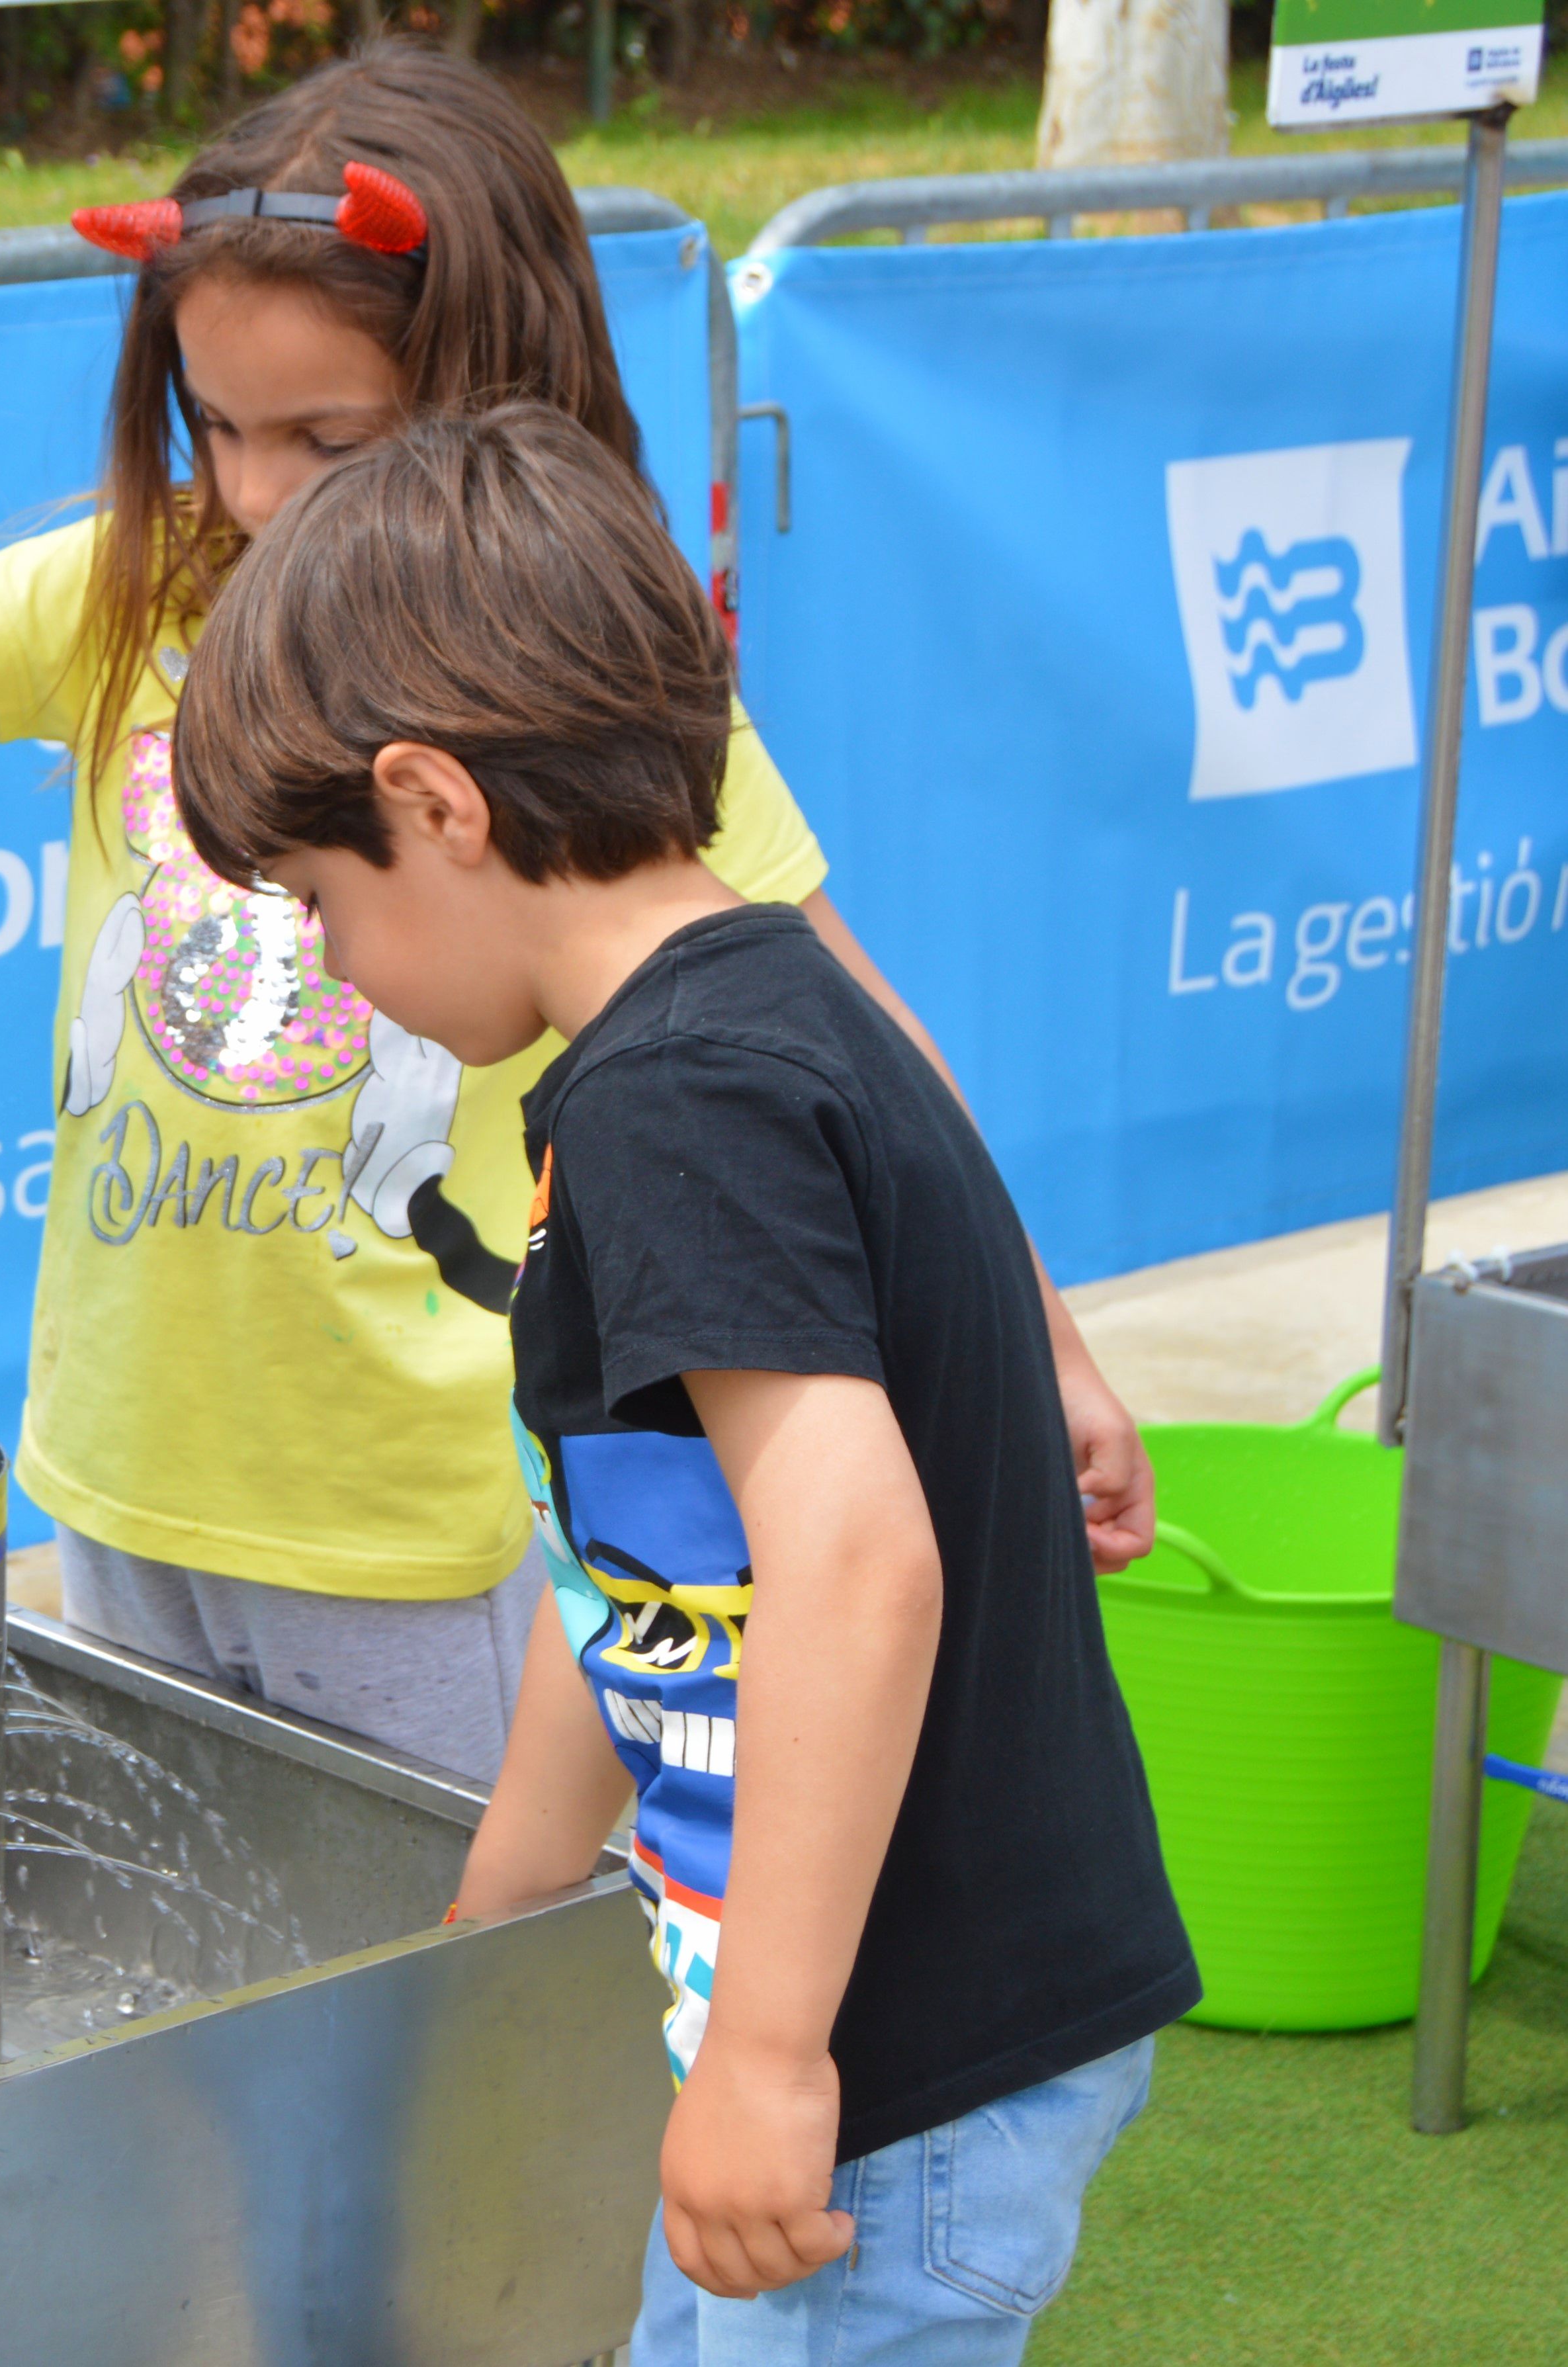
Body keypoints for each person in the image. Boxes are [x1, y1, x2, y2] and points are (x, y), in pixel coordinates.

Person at [0, 41, 1155, 1782]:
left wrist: (1043, 1343)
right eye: (218, 425)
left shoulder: (566, 686)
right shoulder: (135, 586)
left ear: (487, 380)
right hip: (128, 1485)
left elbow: (854, 1040)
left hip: (429, 1531)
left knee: (445, 2001)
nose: (253, 495)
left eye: (326, 438)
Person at [170, 403, 1198, 2361]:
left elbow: (854, 1561)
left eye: (318, 897)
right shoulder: (720, 1029)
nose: (329, 963)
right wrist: (507, 1905)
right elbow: (635, 1552)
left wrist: (776, 2053)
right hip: (857, 2036)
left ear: (438, 801)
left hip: (892, 2064)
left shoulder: (677, 1102)